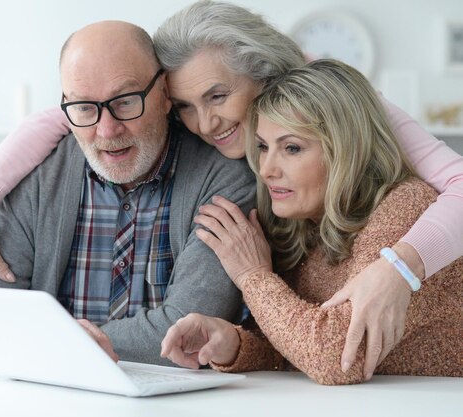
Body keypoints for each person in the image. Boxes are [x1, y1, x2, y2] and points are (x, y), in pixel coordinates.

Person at [0, 1, 463, 379]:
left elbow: (331, 355)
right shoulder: (296, 222)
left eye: (218, 96)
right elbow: (293, 343)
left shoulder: (382, 178)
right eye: (187, 106)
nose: (207, 123)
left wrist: (400, 266)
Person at [0, 20, 256, 366]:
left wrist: (42, 342)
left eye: (126, 102)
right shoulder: (38, 176)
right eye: (85, 107)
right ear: (66, 108)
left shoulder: (223, 177)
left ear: (164, 94)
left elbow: (190, 336)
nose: (107, 129)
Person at [160, 59, 463, 385]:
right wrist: (232, 343)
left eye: (292, 148)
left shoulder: (404, 207)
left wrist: (252, 277)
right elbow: (292, 342)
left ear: (346, 151)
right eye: (263, 147)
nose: (266, 170)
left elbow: (335, 359)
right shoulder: (304, 221)